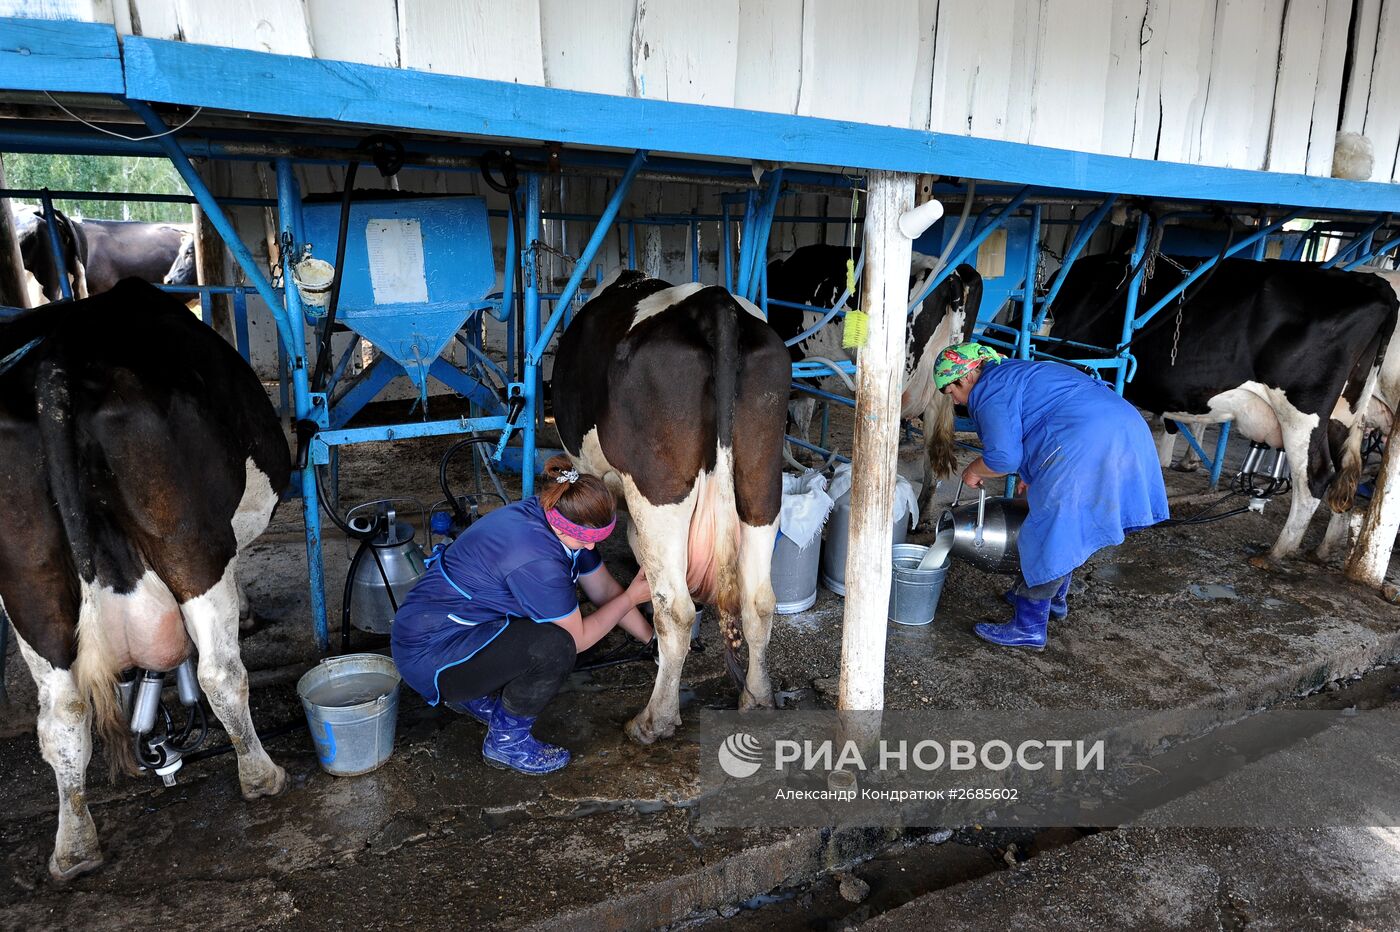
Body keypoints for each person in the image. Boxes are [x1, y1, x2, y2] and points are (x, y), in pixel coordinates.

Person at [391, 455, 653, 774]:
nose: (590, 549)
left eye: (597, 540)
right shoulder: (536, 559)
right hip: (431, 655)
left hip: (451, 629)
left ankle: (475, 694)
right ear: (566, 524)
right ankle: (506, 742)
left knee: (567, 621)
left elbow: (604, 592)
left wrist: (652, 640)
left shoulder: (556, 516)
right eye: (587, 540)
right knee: (555, 646)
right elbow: (579, 639)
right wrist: (630, 599)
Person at [934, 342, 1169, 651]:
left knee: (1048, 529)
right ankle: (1053, 598)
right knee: (1065, 523)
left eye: (950, 392)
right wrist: (1032, 477)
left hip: (1088, 441)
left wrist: (975, 470)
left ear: (964, 378)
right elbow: (1041, 417)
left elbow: (1003, 458)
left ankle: (1028, 627)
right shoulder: (1011, 373)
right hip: (1123, 428)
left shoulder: (987, 391)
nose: (954, 400)